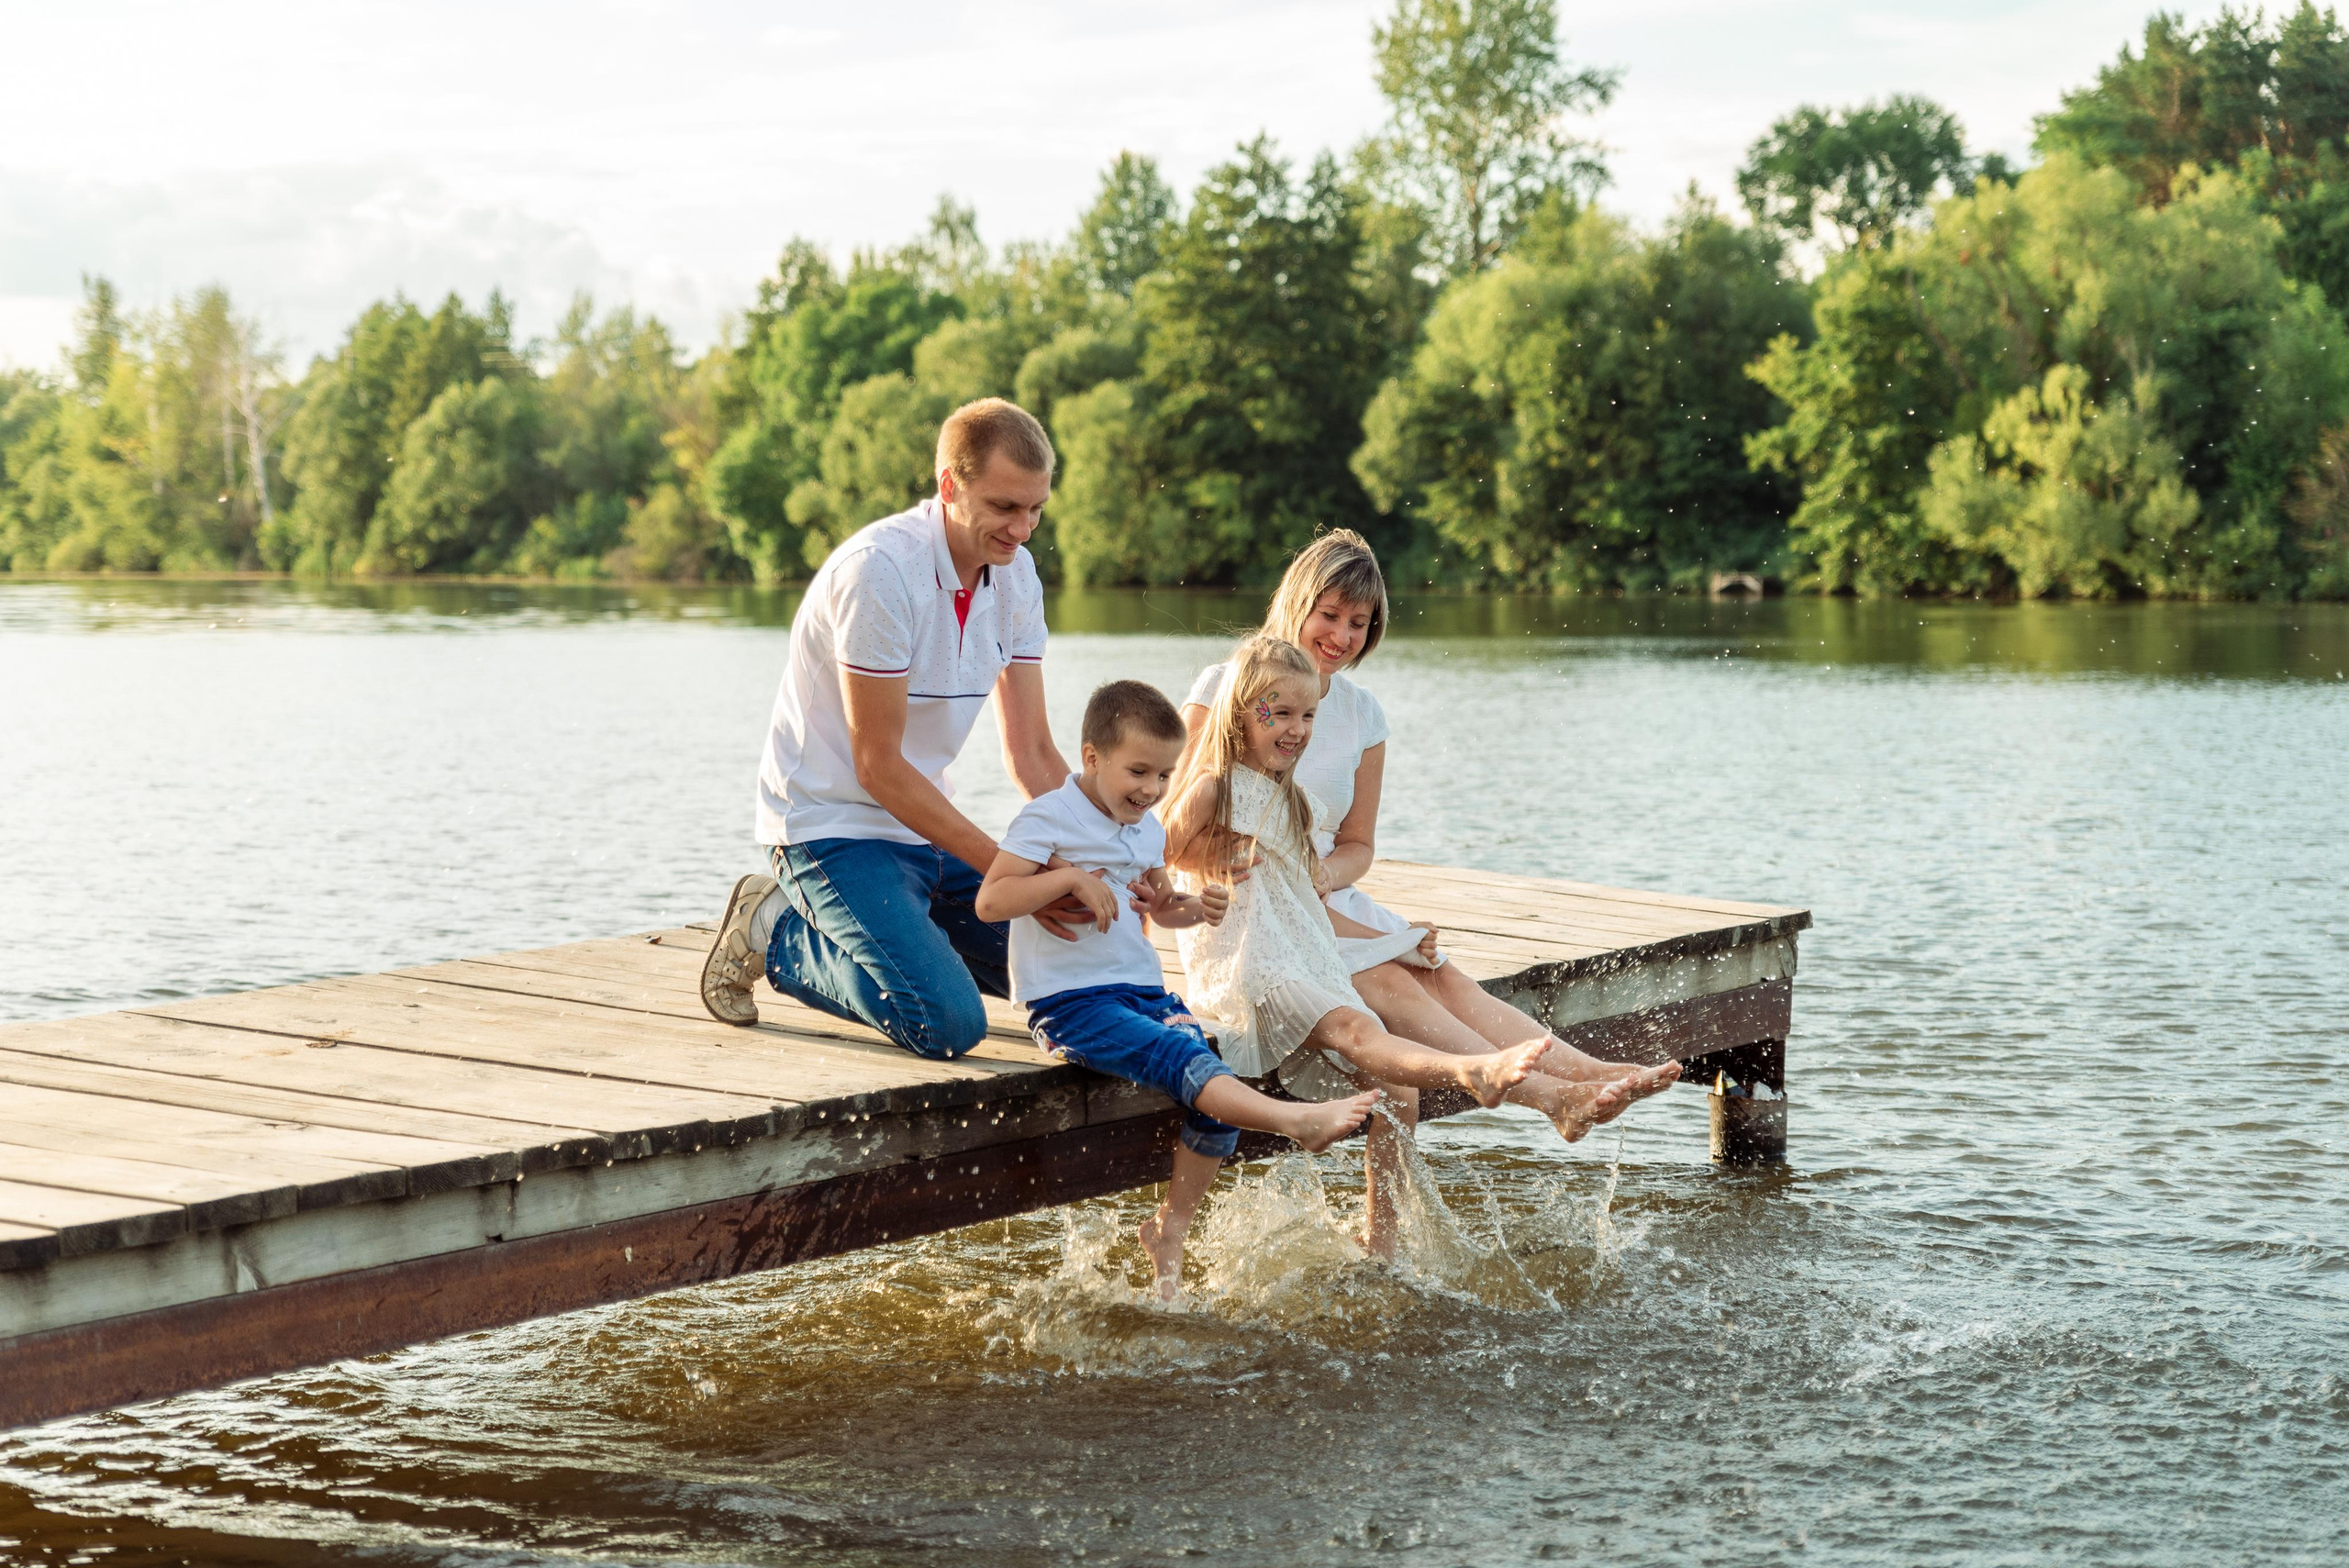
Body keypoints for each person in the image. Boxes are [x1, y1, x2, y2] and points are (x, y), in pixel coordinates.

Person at [1178, 530, 1680, 1116]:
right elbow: (1174, 821)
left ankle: (1592, 1073)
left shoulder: (1362, 713)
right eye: (1330, 614)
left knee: (1439, 972)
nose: (1342, 636)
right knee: (1394, 983)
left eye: (1359, 622)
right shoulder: (1228, 684)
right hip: (1251, 903)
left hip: (1322, 888)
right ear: (1297, 602)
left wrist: (1324, 874)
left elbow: (1359, 844)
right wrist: (1248, 864)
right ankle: (1550, 1098)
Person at [699, 397, 1089, 1056]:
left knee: (1076, 976)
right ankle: (776, 930)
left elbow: (1033, 753)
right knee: (945, 1022)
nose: (1023, 529)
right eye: (1004, 507)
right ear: (950, 486)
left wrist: (1100, 852)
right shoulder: (880, 572)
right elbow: (876, 765)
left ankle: (916, 944)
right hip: (830, 828)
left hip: (926, 825)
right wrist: (1010, 871)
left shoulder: (1017, 576)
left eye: (1036, 508)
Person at [1163, 635, 1569, 1259]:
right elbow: (1149, 858)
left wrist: (1398, 942)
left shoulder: (1295, 803)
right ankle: (1473, 1072)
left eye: (1307, 715)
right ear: (1242, 710)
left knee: (1396, 1089)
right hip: (1247, 965)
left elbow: (1312, 909)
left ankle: (1380, 1242)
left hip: (1303, 954)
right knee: (1357, 1026)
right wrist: (1199, 860)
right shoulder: (1211, 790)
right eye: (1279, 712)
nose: (1296, 728)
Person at [975, 679, 1380, 1297]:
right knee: (1184, 1059)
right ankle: (1294, 1120)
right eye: (1138, 771)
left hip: (1138, 990)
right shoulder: (1048, 818)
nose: (1152, 789)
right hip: (1069, 1002)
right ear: (1091, 757)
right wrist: (1074, 882)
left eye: (1164, 775)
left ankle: (1171, 1228)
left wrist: (1198, 906)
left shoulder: (1143, 827)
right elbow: (991, 900)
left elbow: (1160, 907)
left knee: (1210, 1075)